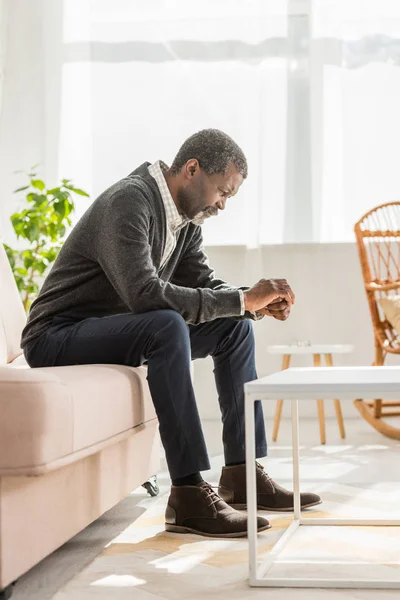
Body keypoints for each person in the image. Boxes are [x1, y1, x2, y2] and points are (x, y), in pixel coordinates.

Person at [21, 128, 321, 539]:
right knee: (166, 324)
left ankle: (241, 473)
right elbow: (144, 295)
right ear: (192, 169)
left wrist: (251, 303)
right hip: (57, 336)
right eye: (222, 192)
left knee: (233, 330)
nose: (223, 205)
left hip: (119, 331)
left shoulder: (187, 220)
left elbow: (203, 284)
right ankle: (189, 493)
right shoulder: (130, 200)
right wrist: (241, 300)